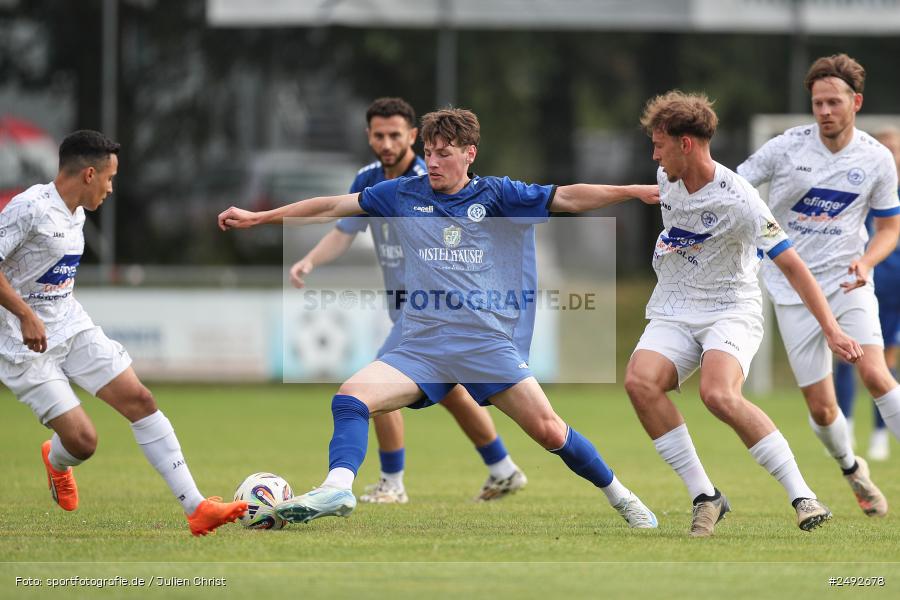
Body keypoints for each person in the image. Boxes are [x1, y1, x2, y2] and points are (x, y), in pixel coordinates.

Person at [219, 108, 661, 529]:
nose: (432, 161)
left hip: (484, 344)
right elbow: (332, 206)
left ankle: (622, 496)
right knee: (350, 398)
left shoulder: (497, 194)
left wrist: (632, 192)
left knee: (549, 431)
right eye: (429, 152)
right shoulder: (403, 194)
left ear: (469, 153)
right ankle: (338, 488)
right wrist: (261, 216)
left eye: (444, 152)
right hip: (422, 343)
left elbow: (566, 195)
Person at [625, 90, 863, 536]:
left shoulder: (741, 199)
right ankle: (706, 496)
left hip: (730, 310)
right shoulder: (667, 177)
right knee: (639, 381)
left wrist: (830, 329)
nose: (654, 154)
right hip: (675, 308)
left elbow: (792, 264)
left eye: (659, 144)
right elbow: (648, 192)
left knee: (718, 394)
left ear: (686, 144)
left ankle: (802, 495)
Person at [0, 130, 247, 536]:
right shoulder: (29, 209)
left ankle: (196, 508)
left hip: (70, 324)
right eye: (110, 179)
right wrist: (26, 314)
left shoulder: (76, 213)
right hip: (21, 342)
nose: (112, 188)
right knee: (84, 442)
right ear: (89, 174)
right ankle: (57, 459)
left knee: (140, 399)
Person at [289, 98, 527, 504]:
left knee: (375, 384)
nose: (386, 143)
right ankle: (503, 468)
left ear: (412, 137)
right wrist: (310, 260)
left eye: (395, 135)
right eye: (379, 135)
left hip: (435, 309)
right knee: (453, 391)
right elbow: (344, 230)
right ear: (368, 136)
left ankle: (392, 482)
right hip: (404, 308)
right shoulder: (369, 179)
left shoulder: (429, 179)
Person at [738, 54, 899, 518]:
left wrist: (867, 262)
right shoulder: (785, 148)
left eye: (834, 102)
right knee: (823, 410)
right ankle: (851, 467)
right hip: (791, 289)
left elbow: (890, 227)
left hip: (848, 281)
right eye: (818, 103)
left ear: (856, 103)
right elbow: (734, 186)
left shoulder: (875, 158)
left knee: (875, 372)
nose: (825, 111)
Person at [833, 127, 900, 461]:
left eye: (894, 148)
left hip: (895, 294)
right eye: (883, 147)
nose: (889, 154)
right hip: (862, 284)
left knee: (885, 363)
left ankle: (879, 435)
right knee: (847, 357)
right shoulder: (866, 189)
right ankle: (843, 425)